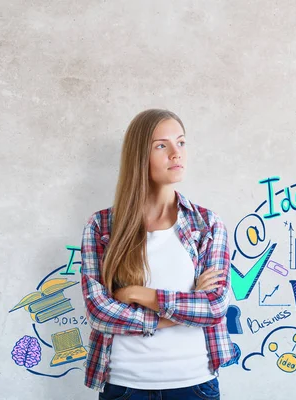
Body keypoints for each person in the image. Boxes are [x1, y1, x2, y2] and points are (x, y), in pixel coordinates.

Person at [80, 109, 238, 400]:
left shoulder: (207, 224)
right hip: (125, 386)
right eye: (161, 145)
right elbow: (99, 313)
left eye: (181, 142)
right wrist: (181, 311)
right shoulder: (101, 226)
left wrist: (136, 293)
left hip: (194, 385)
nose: (176, 154)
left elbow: (215, 308)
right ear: (140, 156)